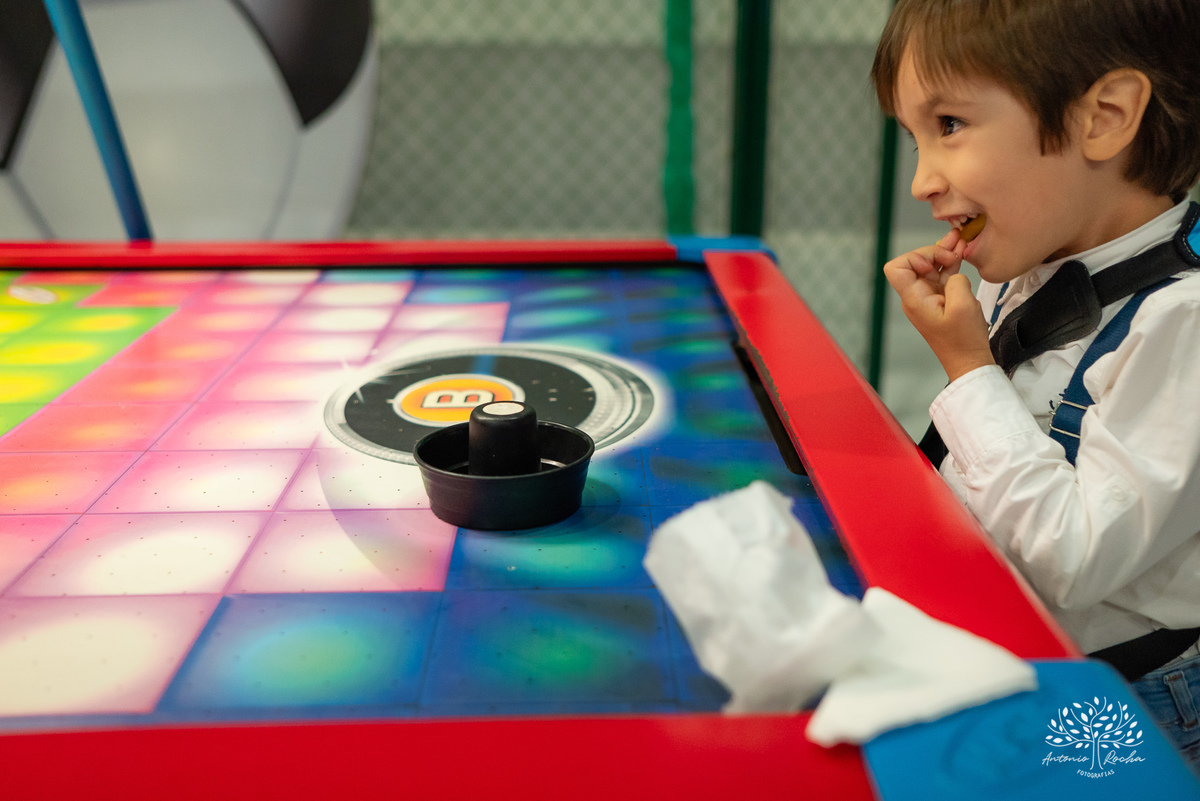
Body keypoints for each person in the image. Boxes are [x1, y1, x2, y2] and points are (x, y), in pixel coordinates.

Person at [871, 0, 1200, 768]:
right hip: (1013, 650)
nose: (922, 179)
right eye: (914, 137)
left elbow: (1078, 556)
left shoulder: (1182, 324)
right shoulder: (1037, 261)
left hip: (1122, 703)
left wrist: (969, 368)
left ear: (1104, 118)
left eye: (949, 124)